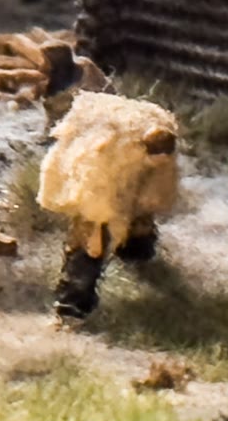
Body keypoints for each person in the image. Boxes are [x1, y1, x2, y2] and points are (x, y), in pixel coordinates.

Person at [37, 93, 180, 321]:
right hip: (100, 183)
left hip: (135, 171)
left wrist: (143, 204)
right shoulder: (102, 157)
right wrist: (97, 225)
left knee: (140, 216)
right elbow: (94, 202)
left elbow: (155, 187)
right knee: (92, 241)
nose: (160, 160)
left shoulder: (159, 143)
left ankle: (135, 251)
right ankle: (73, 301)